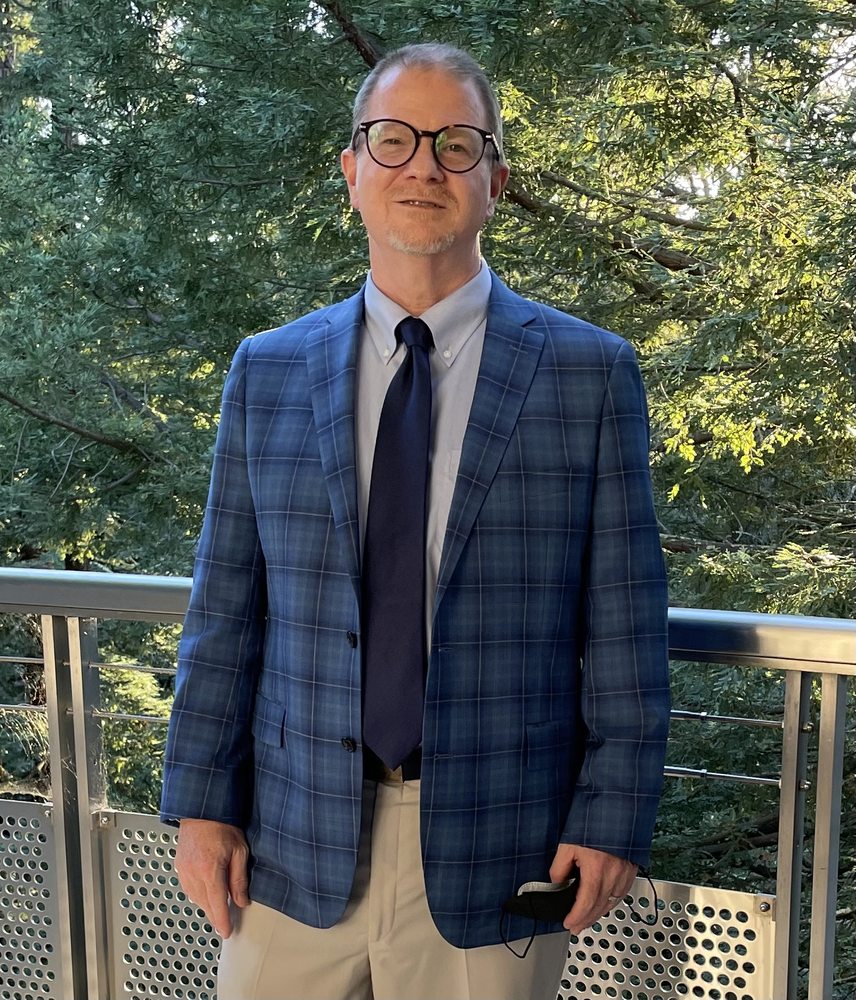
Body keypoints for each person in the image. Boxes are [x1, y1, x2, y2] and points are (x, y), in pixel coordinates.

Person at [160, 41, 671, 1000]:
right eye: (393, 140)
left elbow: (625, 623)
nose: (424, 166)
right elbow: (224, 610)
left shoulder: (590, 374)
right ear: (353, 171)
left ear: (495, 181)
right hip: (286, 836)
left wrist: (613, 816)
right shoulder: (267, 370)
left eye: (456, 144)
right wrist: (198, 804)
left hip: (500, 837)